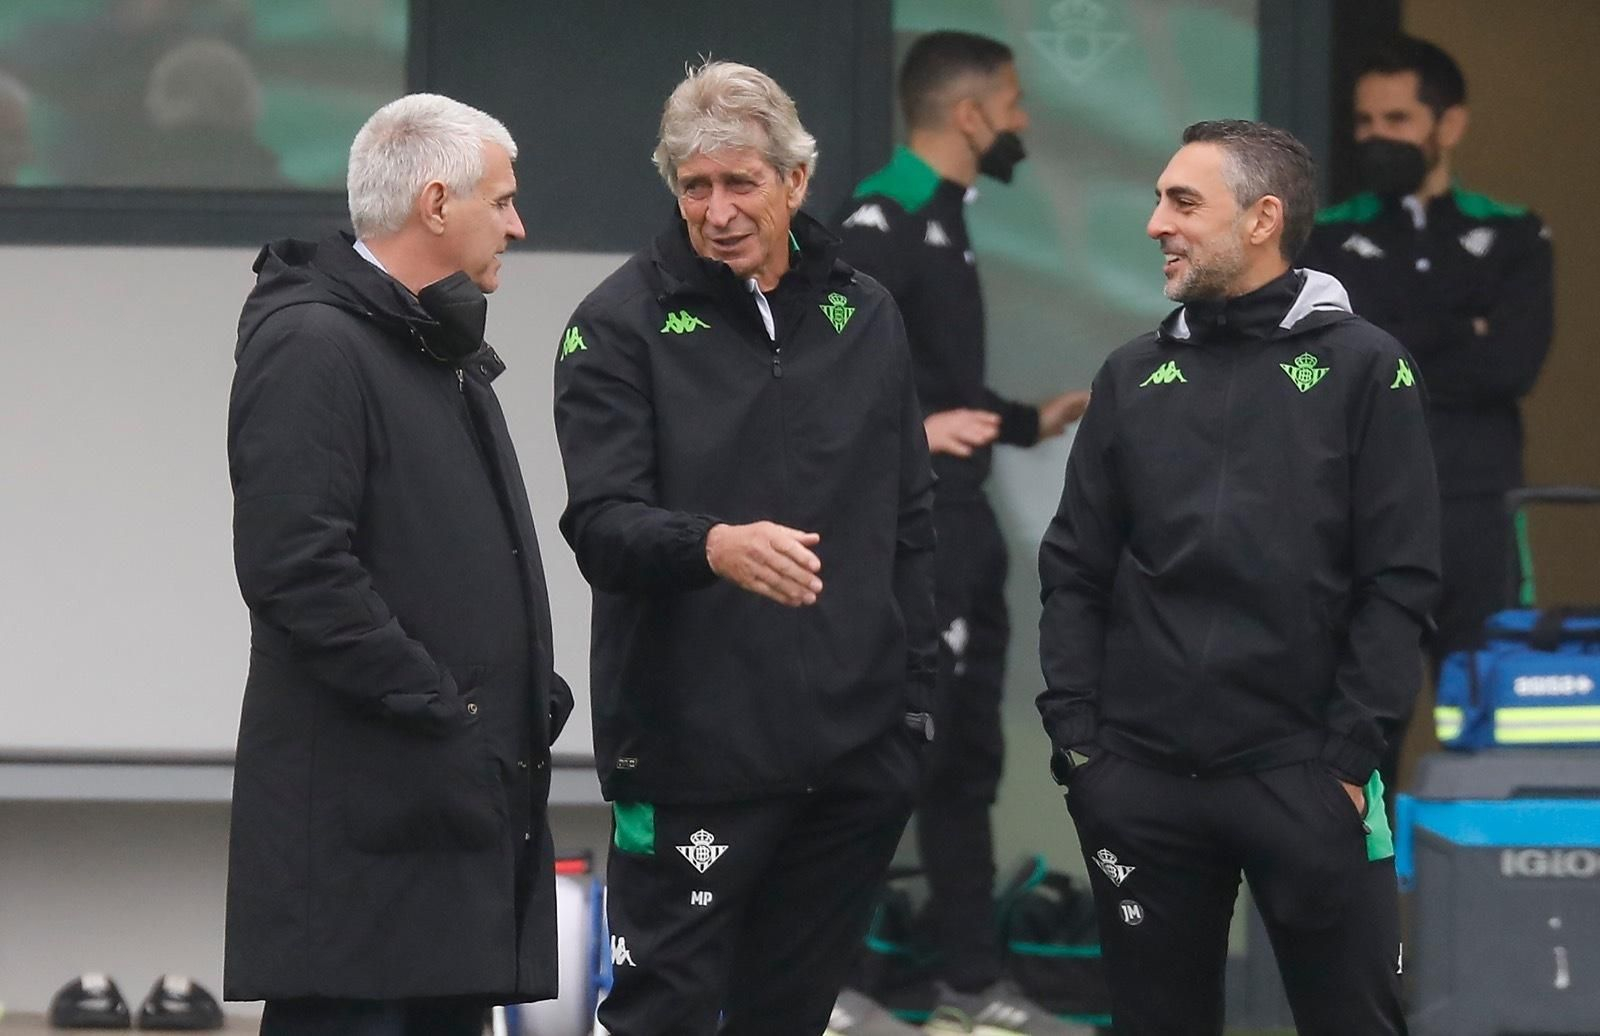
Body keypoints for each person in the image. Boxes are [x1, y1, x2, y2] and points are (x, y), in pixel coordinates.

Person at [551, 60, 938, 1036]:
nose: (717, 210)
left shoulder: (867, 314)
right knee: (661, 1016)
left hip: (852, 761)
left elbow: (910, 521)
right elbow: (599, 524)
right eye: (695, 186)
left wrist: (915, 712)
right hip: (689, 758)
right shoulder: (614, 325)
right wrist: (711, 544)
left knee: (789, 1019)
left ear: (795, 183)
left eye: (740, 184)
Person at [1038, 120, 1440, 1035]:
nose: (1155, 224)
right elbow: (1074, 570)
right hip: (1138, 785)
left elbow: (1402, 578)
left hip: (1307, 778)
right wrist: (1084, 751)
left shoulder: (1368, 369)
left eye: (1183, 202)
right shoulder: (1132, 375)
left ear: (1263, 218)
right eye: (1157, 199)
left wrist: (1347, 760)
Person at [225, 93, 571, 1036]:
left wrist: (512, 692)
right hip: (362, 847)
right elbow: (296, 567)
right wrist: (445, 704)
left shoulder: (429, 347)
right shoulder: (314, 342)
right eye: (501, 200)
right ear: (434, 203)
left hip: (437, 827)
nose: (518, 224)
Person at [832, 33, 1089, 1036]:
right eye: (1015, 103)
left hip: (962, 528)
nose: (1023, 120)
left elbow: (933, 381)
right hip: (911, 537)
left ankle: (971, 986)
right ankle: (840, 984)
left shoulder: (948, 214)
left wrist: (1027, 421)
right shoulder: (880, 213)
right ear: (971, 113)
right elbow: (826, 371)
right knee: (890, 754)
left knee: (963, 764)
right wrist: (916, 434)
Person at [1300, 35, 1553, 689]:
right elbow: (1328, 364)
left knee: (1483, 713)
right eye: (1365, 122)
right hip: (1359, 511)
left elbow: (1509, 368)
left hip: (1476, 510)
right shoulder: (1324, 235)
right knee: (1356, 727)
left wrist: (1385, 337)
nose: (1376, 137)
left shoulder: (1515, 233)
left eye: (1397, 121)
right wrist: (1460, 327)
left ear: (1450, 124)